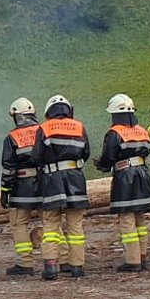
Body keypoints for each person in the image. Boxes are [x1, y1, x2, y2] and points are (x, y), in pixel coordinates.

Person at [95, 94, 150, 272]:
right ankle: (142, 256)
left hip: (125, 176)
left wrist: (101, 164)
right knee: (140, 218)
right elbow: (146, 149)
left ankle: (132, 260)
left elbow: (109, 156)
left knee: (127, 219)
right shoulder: (141, 130)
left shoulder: (115, 133)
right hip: (143, 174)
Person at [36, 95, 91, 278]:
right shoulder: (79, 126)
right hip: (75, 178)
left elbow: (37, 156)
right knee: (75, 225)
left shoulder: (44, 128)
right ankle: (77, 267)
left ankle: (51, 266)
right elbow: (86, 153)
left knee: (51, 224)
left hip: (53, 179)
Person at [0, 97, 46, 276]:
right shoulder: (44, 131)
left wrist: (5, 191)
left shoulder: (12, 137)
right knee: (51, 222)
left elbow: (8, 168)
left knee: (19, 224)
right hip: (44, 184)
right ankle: (62, 259)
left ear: (15, 116)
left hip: (21, 187)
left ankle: (24, 263)